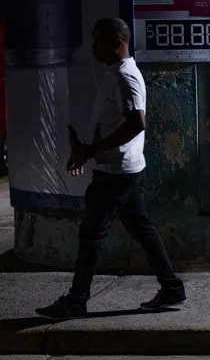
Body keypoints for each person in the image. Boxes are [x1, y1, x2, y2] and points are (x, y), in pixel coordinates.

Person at [36, 18, 186, 319]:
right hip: (121, 170)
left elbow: (136, 123)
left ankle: (77, 299)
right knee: (141, 229)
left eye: (98, 41)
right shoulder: (114, 74)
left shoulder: (125, 77)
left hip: (117, 174)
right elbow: (116, 122)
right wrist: (85, 150)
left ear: (118, 42)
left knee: (91, 235)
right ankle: (171, 286)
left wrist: (91, 150)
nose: (93, 47)